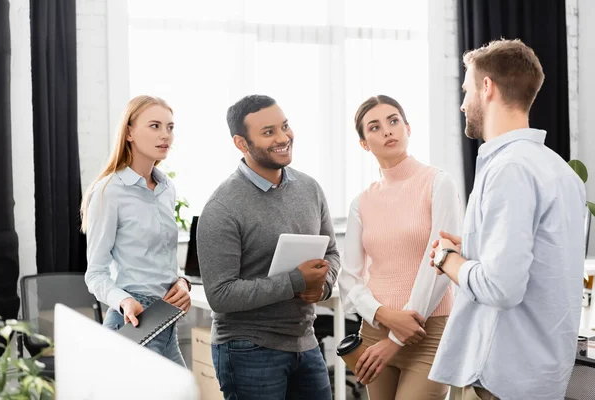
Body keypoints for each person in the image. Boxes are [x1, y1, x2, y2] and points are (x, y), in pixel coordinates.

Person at [428, 39, 586, 400]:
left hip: (500, 378)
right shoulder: (559, 171)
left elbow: (501, 287)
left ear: (487, 87)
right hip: (537, 376)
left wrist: (447, 260)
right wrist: (471, 250)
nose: (462, 103)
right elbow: (537, 263)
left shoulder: (508, 169)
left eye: (466, 90)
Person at [196, 94, 340, 400]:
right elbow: (220, 295)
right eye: (268, 132)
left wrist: (322, 287)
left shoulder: (310, 188)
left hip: (305, 340)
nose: (283, 138)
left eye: (284, 126)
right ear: (241, 143)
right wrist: (295, 281)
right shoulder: (222, 207)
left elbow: (331, 252)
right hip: (248, 347)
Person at [338, 95, 461, 399]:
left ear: (408, 127)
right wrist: (383, 316)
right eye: (375, 127)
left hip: (428, 333)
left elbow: (442, 263)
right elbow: (349, 277)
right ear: (364, 143)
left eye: (394, 121)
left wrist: (396, 336)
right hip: (374, 331)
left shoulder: (438, 183)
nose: (388, 131)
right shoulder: (361, 202)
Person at [82, 95, 191, 366]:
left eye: (170, 127)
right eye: (154, 126)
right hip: (132, 322)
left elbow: (159, 259)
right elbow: (95, 274)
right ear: (129, 132)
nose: (165, 135)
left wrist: (181, 283)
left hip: (166, 321)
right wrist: (125, 300)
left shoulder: (167, 188)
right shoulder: (109, 191)